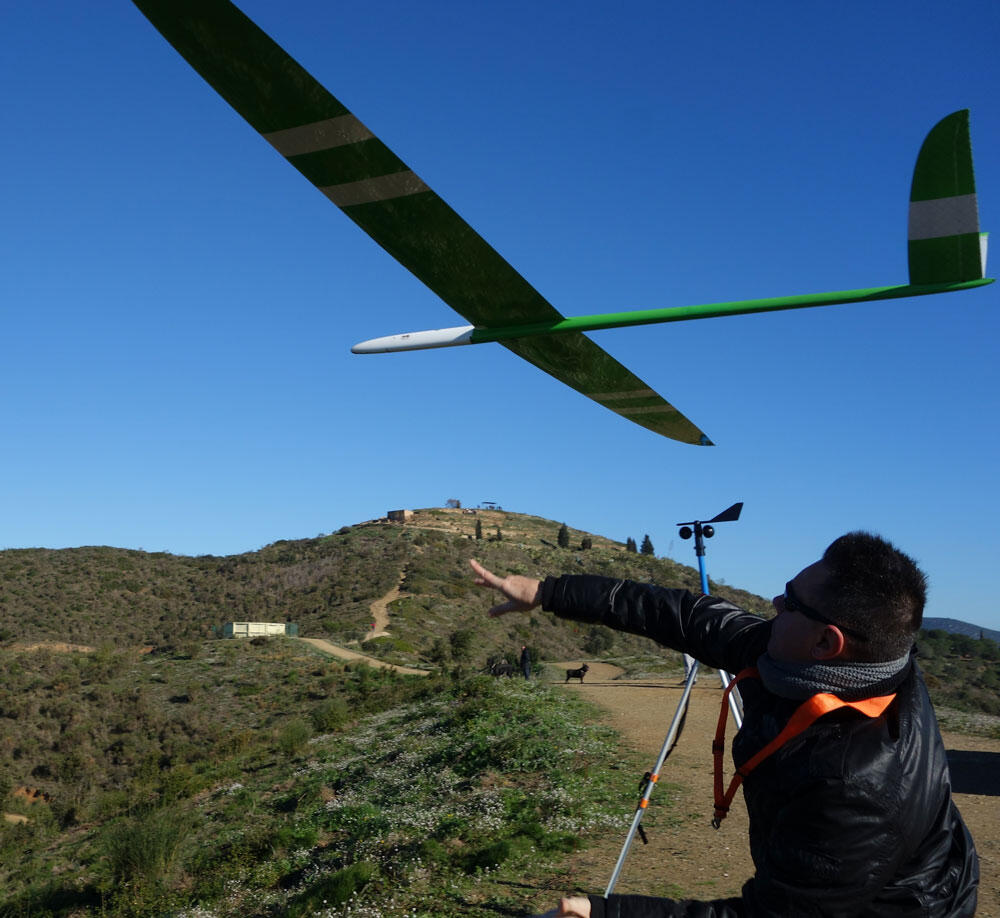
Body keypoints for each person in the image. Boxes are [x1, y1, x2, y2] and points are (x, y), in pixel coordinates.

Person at [470, 532, 978, 917]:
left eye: (790, 601)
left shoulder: (855, 786)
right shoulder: (831, 657)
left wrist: (608, 912)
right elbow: (683, 615)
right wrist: (549, 592)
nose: (774, 604)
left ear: (827, 642)